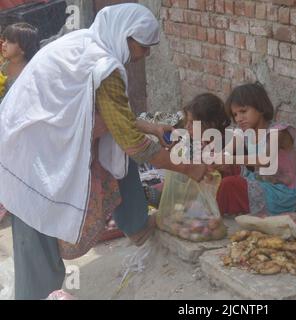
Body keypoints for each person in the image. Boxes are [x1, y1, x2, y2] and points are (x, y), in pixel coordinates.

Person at [0, 4, 207, 300]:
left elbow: (106, 116)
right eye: (143, 48)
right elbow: (131, 143)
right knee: (38, 248)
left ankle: (136, 225)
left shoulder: (85, 42)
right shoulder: (104, 65)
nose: (144, 56)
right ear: (126, 37)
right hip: (33, 158)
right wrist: (189, 169)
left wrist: (151, 127)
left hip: (35, 144)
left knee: (113, 158)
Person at [216, 82, 296, 216]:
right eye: (235, 115)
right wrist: (216, 162)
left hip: (279, 193)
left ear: (260, 108)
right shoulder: (243, 131)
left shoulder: (278, 132)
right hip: (259, 181)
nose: (239, 118)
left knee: (230, 184)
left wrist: (230, 159)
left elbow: (264, 160)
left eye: (243, 111)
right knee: (225, 171)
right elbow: (226, 152)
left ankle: (214, 211)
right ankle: (216, 203)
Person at [137, 93, 232, 208]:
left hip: (215, 190)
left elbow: (212, 175)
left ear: (211, 124)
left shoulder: (224, 143)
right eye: (187, 122)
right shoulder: (199, 141)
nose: (187, 127)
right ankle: (157, 196)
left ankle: (162, 199)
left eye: (192, 123)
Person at [0, 23, 40, 224]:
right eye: (4, 39)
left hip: (22, 134)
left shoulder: (31, 72)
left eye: (10, 41)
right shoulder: (3, 69)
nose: (4, 44)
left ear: (22, 48)